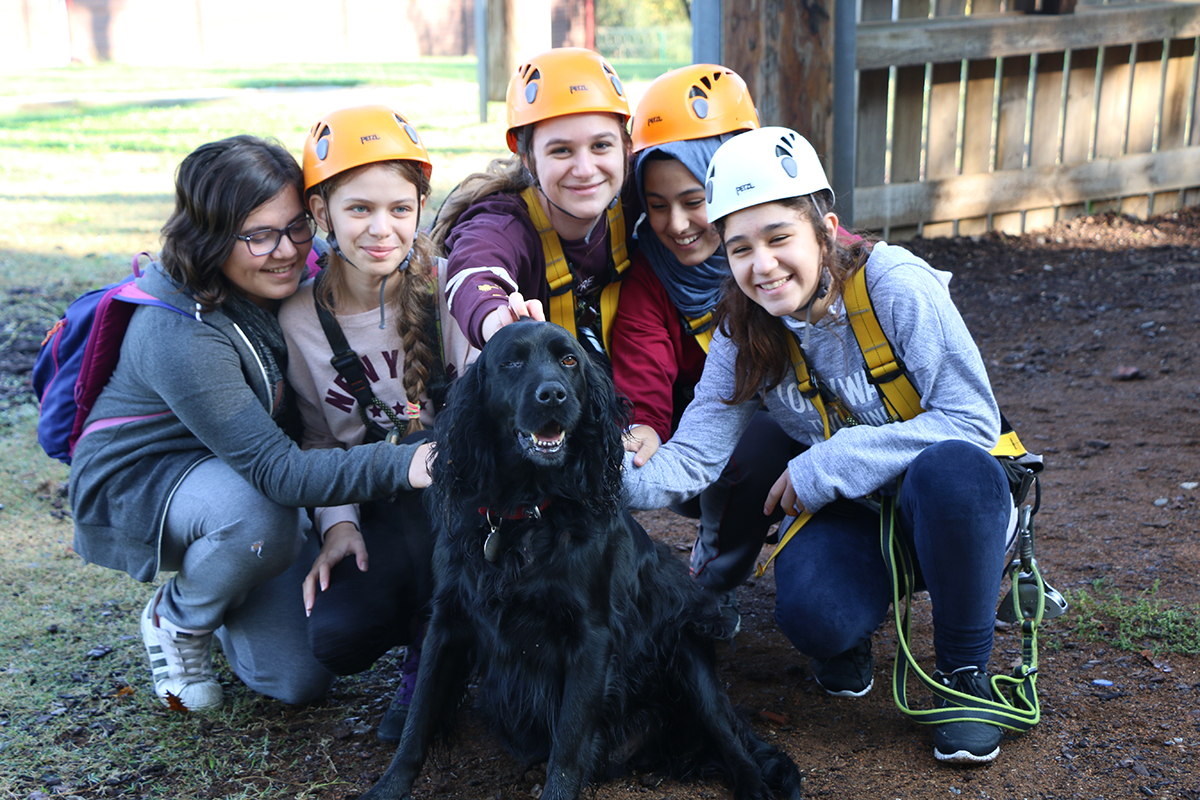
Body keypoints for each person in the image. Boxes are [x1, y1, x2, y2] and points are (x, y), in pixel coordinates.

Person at [622, 127, 1017, 765]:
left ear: (824, 230)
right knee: (814, 617)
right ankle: (851, 632)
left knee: (952, 471)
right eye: (740, 247)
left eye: (780, 238)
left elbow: (973, 421)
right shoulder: (741, 328)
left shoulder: (895, 285)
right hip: (859, 516)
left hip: (952, 504)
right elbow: (693, 458)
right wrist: (581, 473)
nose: (763, 265)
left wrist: (832, 460)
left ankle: (964, 678)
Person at [67, 135, 435, 711]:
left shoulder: (290, 278)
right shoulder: (179, 332)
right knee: (260, 513)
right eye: (258, 235)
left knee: (298, 679)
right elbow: (277, 471)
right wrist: (409, 460)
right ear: (209, 236)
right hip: (154, 478)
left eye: (295, 228)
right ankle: (180, 616)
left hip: (248, 470)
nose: (286, 251)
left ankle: (235, 581)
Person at [279, 105, 464, 741]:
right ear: (320, 214)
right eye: (359, 209)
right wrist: (338, 526)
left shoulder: (447, 290)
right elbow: (320, 439)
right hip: (373, 497)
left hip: (458, 495)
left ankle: (438, 655)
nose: (382, 229)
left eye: (400, 209)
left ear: (419, 208)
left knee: (431, 449)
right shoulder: (298, 318)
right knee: (337, 637)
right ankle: (428, 627)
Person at [611, 64, 800, 629]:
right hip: (709, 443)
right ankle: (714, 576)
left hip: (824, 425)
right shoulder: (651, 275)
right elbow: (642, 369)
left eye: (695, 199)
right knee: (758, 441)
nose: (677, 224)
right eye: (657, 203)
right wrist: (640, 426)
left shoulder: (801, 246)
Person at [432, 47, 636, 361]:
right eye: (561, 151)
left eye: (601, 145)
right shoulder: (504, 222)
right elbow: (474, 268)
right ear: (527, 159)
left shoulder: (642, 190)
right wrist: (494, 318)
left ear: (626, 148)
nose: (585, 169)